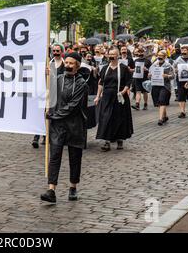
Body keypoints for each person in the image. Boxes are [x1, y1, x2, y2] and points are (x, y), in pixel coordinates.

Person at [40, 52, 88, 203]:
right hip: (58, 125)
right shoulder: (58, 79)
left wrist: (55, 115)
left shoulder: (82, 84)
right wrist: (46, 77)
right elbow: (50, 94)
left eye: (71, 63)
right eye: (66, 63)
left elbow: (73, 106)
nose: (67, 65)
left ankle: (73, 187)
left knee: (75, 157)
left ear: (77, 66)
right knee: (54, 156)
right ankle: (51, 190)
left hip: (75, 124)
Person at [95, 48, 133, 151]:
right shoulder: (105, 68)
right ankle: (106, 141)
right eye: (110, 54)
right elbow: (101, 83)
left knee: (119, 117)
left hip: (119, 96)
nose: (111, 56)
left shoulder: (124, 68)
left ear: (118, 55)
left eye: (113, 54)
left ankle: (119, 139)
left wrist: (123, 92)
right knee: (106, 117)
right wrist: (98, 96)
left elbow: (127, 83)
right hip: (107, 96)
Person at [32, 43, 65, 149]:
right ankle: (36, 137)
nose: (55, 53)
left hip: (59, 93)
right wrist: (44, 73)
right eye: (54, 51)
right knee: (43, 114)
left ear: (61, 52)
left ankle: (52, 136)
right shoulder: (48, 63)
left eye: (57, 51)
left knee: (55, 115)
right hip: (47, 92)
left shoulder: (65, 64)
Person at [149, 50, 175, 125]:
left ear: (165, 57)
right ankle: (165, 116)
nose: (159, 57)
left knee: (162, 100)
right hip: (156, 85)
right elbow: (149, 74)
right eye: (158, 55)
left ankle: (160, 119)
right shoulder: (154, 65)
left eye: (161, 56)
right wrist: (149, 75)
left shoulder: (168, 65)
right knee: (159, 102)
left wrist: (167, 76)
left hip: (165, 86)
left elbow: (173, 76)